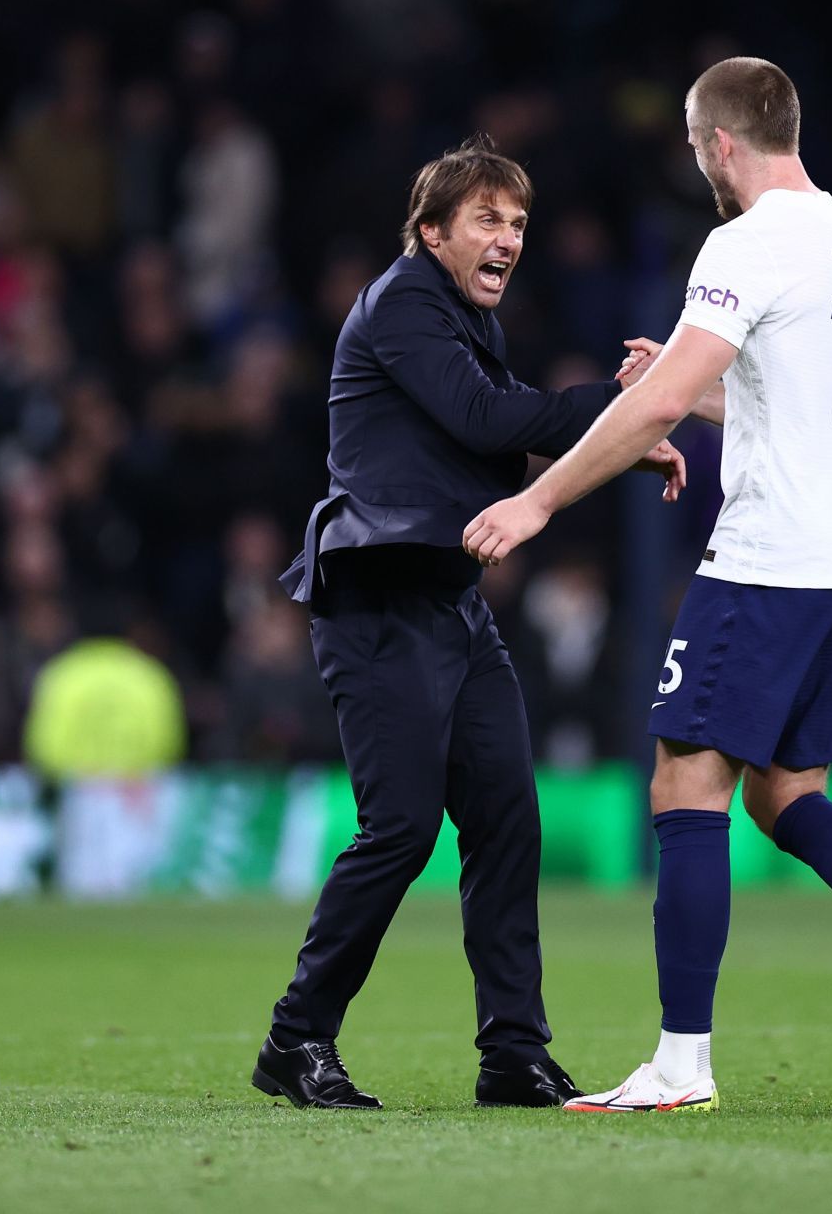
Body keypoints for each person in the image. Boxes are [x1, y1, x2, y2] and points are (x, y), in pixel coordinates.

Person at [464, 58, 832, 1112]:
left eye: (698, 146)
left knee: (686, 783)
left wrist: (540, 501)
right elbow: (816, 407)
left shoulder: (744, 243)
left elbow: (656, 407)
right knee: (785, 794)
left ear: (720, 143)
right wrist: (703, 384)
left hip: (772, 561)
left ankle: (680, 1063)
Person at [254, 136, 686, 1110]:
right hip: (377, 601)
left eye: (520, 223)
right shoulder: (405, 300)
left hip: (449, 603)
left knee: (505, 819)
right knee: (401, 827)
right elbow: (493, 423)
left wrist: (622, 443)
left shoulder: (460, 320)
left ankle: (514, 1051)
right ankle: (297, 1037)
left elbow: (494, 439)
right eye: (488, 219)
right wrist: (627, 408)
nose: (509, 238)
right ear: (431, 230)